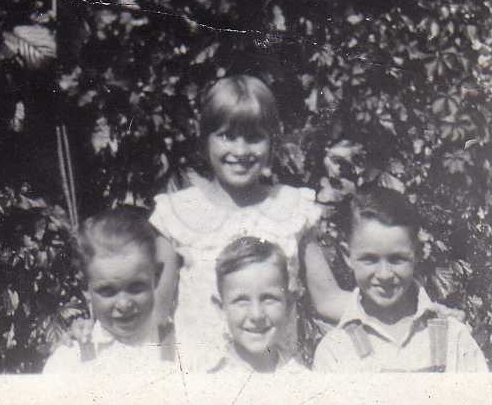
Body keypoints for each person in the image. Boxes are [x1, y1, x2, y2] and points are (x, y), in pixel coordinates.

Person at [149, 75, 346, 371]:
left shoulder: (290, 209)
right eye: (226, 136)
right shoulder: (178, 213)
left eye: (254, 137)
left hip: (274, 379)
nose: (240, 151)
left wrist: (405, 309)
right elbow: (155, 313)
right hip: (202, 380)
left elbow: (329, 299)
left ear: (272, 142)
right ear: (205, 140)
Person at [312, 186, 489, 373]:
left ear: (418, 253)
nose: (384, 274)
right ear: (347, 255)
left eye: (397, 259)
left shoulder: (455, 339)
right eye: (369, 259)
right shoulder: (336, 350)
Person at [43, 206, 175, 375]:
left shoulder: (186, 348)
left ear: (156, 277)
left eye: (136, 287)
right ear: (85, 287)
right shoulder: (69, 361)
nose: (124, 304)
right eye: (108, 291)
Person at [209, 235, 309, 375]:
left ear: (289, 305)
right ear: (221, 308)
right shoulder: (209, 381)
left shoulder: (302, 378)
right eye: (241, 300)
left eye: (268, 298)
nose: (256, 315)